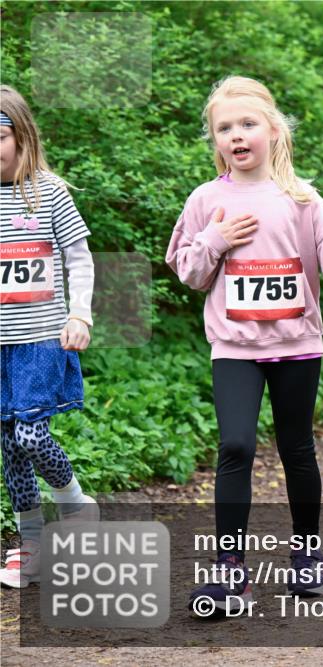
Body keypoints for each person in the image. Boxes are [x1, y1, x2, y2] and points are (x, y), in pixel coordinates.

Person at [166, 76, 323, 614]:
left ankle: (307, 558)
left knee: (296, 448)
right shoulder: (206, 201)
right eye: (224, 128)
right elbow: (187, 271)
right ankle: (229, 571)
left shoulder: (301, 199)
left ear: (274, 131)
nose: (236, 136)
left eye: (247, 124)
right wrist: (215, 240)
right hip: (235, 347)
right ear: (214, 140)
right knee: (235, 446)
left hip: (297, 344)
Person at [0, 85, 99, 589]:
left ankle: (75, 504)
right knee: (8, 445)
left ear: (21, 135)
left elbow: (79, 258)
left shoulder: (48, 191)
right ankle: (32, 544)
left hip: (41, 337)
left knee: (31, 432)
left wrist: (79, 314)